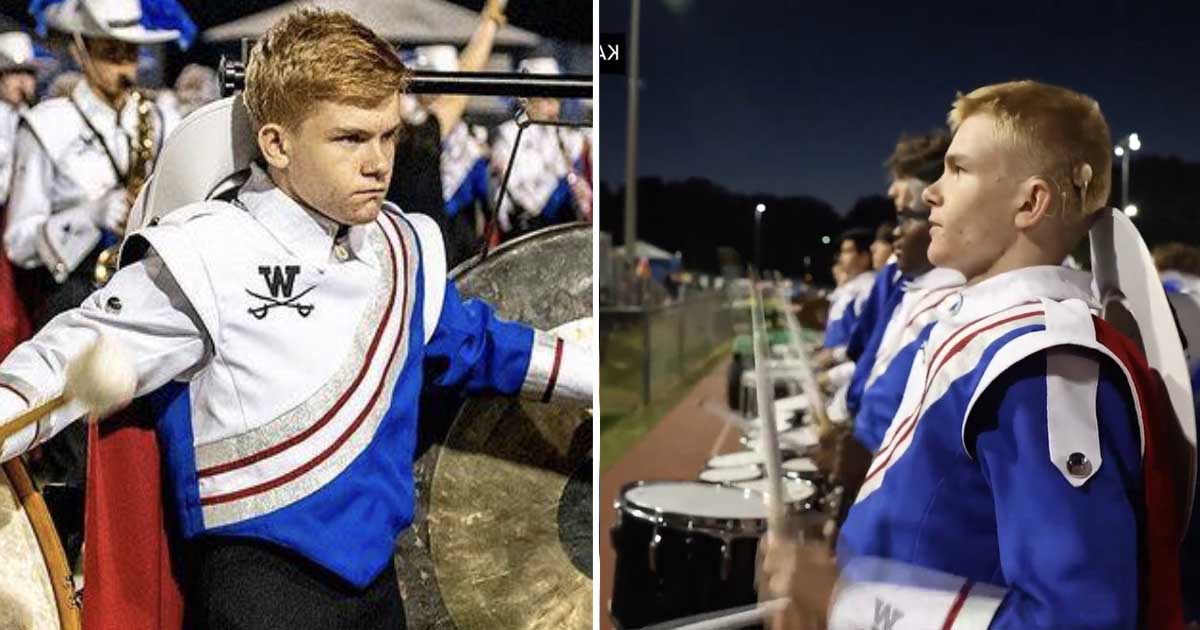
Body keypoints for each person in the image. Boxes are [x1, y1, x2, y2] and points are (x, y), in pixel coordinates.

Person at [0, 9, 591, 629]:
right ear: (277, 143)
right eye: (350, 138)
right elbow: (74, 350)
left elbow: (481, 345)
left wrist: (606, 373)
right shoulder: (208, 251)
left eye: (387, 136)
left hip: (379, 589)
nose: (378, 163)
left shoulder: (400, 248)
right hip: (259, 591)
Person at [764, 80, 1186, 629]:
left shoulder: (1044, 362)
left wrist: (843, 601)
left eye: (958, 170)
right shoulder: (992, 333)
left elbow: (1079, 618)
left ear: (1031, 203)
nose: (931, 194)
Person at [386, 0, 506, 268]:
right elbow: (461, 86)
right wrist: (490, 22)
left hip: (432, 254)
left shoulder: (422, 133)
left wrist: (490, 21)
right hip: (407, 259)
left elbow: (461, 85)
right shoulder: (417, 134)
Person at [491, 56, 592, 239]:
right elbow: (519, 196)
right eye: (545, 97)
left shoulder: (571, 138)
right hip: (526, 230)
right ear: (526, 99)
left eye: (556, 97)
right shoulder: (508, 135)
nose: (553, 104)